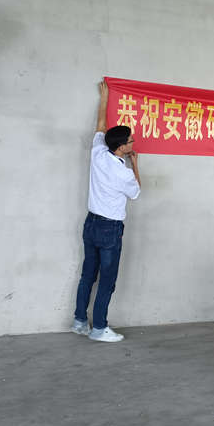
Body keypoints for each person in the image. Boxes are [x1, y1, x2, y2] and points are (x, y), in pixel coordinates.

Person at [70, 81, 141, 343]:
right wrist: (135, 164)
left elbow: (100, 126)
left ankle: (79, 321)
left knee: (88, 275)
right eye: (130, 141)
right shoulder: (123, 172)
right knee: (107, 280)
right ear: (122, 148)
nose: (133, 142)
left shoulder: (98, 152)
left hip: (91, 224)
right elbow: (136, 192)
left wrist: (105, 98)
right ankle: (99, 328)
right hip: (110, 229)